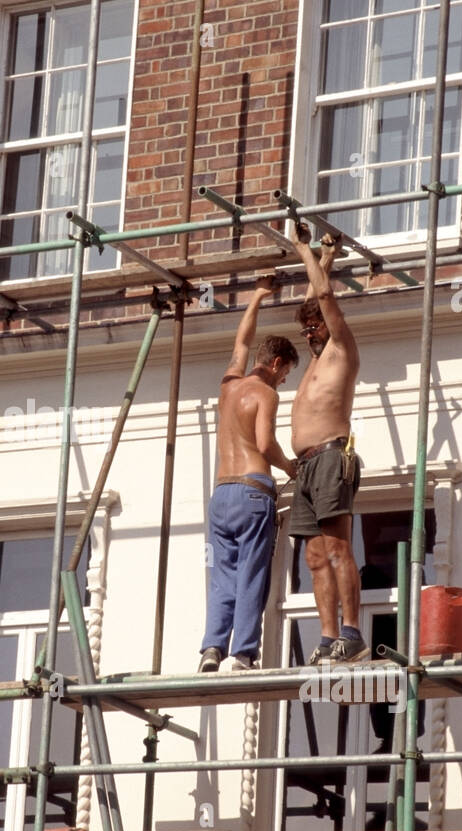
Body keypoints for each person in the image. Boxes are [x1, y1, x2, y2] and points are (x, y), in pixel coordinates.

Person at [198, 275, 299, 672]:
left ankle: (211, 649)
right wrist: (290, 466)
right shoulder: (266, 393)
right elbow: (263, 444)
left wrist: (257, 296)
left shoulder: (229, 385)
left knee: (223, 577)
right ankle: (242, 654)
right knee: (252, 575)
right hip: (253, 492)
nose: (284, 380)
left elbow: (241, 342)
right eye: (286, 372)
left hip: (221, 495)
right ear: (275, 364)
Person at [289, 222, 365, 663]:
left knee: (337, 548)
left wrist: (304, 250)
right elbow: (311, 304)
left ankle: (352, 632)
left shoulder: (342, 348)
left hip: (333, 457)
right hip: (305, 466)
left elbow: (323, 298)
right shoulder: (315, 359)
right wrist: (325, 257)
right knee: (315, 558)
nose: (308, 333)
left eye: (314, 327)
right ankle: (328, 636)